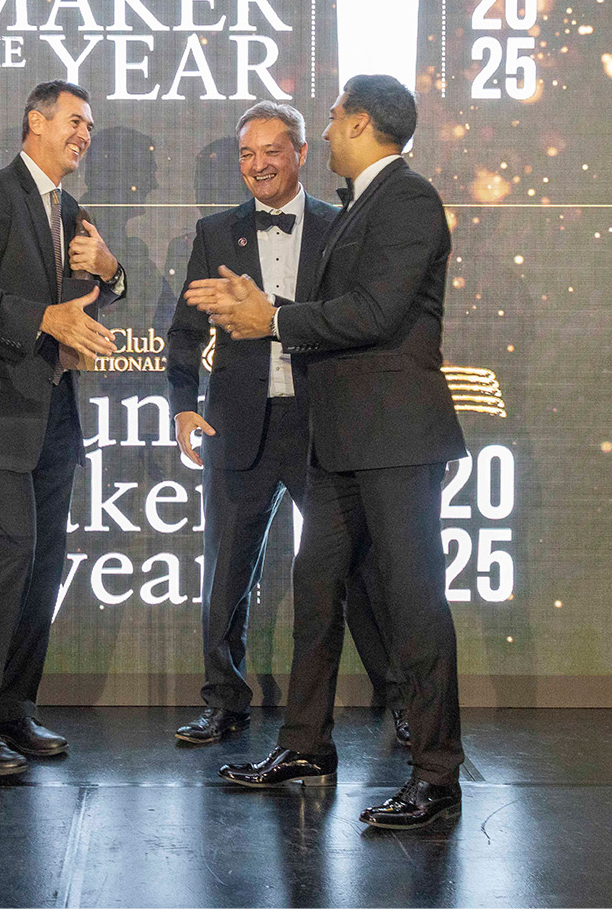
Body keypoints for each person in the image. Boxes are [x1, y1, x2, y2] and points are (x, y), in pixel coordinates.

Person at [185, 75, 468, 829]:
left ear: (362, 123)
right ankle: (306, 743)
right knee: (316, 589)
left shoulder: (407, 198)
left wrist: (272, 318)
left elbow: (375, 312)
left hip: (395, 438)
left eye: (337, 115)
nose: (331, 125)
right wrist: (269, 315)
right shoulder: (362, 203)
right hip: (340, 439)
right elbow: (341, 310)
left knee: (413, 601)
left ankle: (437, 773)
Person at [166, 100, 410, 747]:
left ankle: (402, 700)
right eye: (246, 154)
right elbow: (184, 332)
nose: (258, 165)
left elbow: (358, 321)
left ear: (301, 153)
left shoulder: (341, 225)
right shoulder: (215, 233)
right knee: (225, 573)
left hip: (321, 426)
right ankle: (223, 701)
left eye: (271, 151)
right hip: (237, 427)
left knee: (358, 573)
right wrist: (183, 404)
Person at [0, 80, 127, 775]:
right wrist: (42, 319)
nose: (84, 135)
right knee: (9, 551)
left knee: (44, 561)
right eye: (75, 121)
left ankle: (13, 708)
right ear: (35, 122)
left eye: (90, 126)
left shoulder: (70, 210)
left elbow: (96, 292)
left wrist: (112, 272)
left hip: (54, 410)